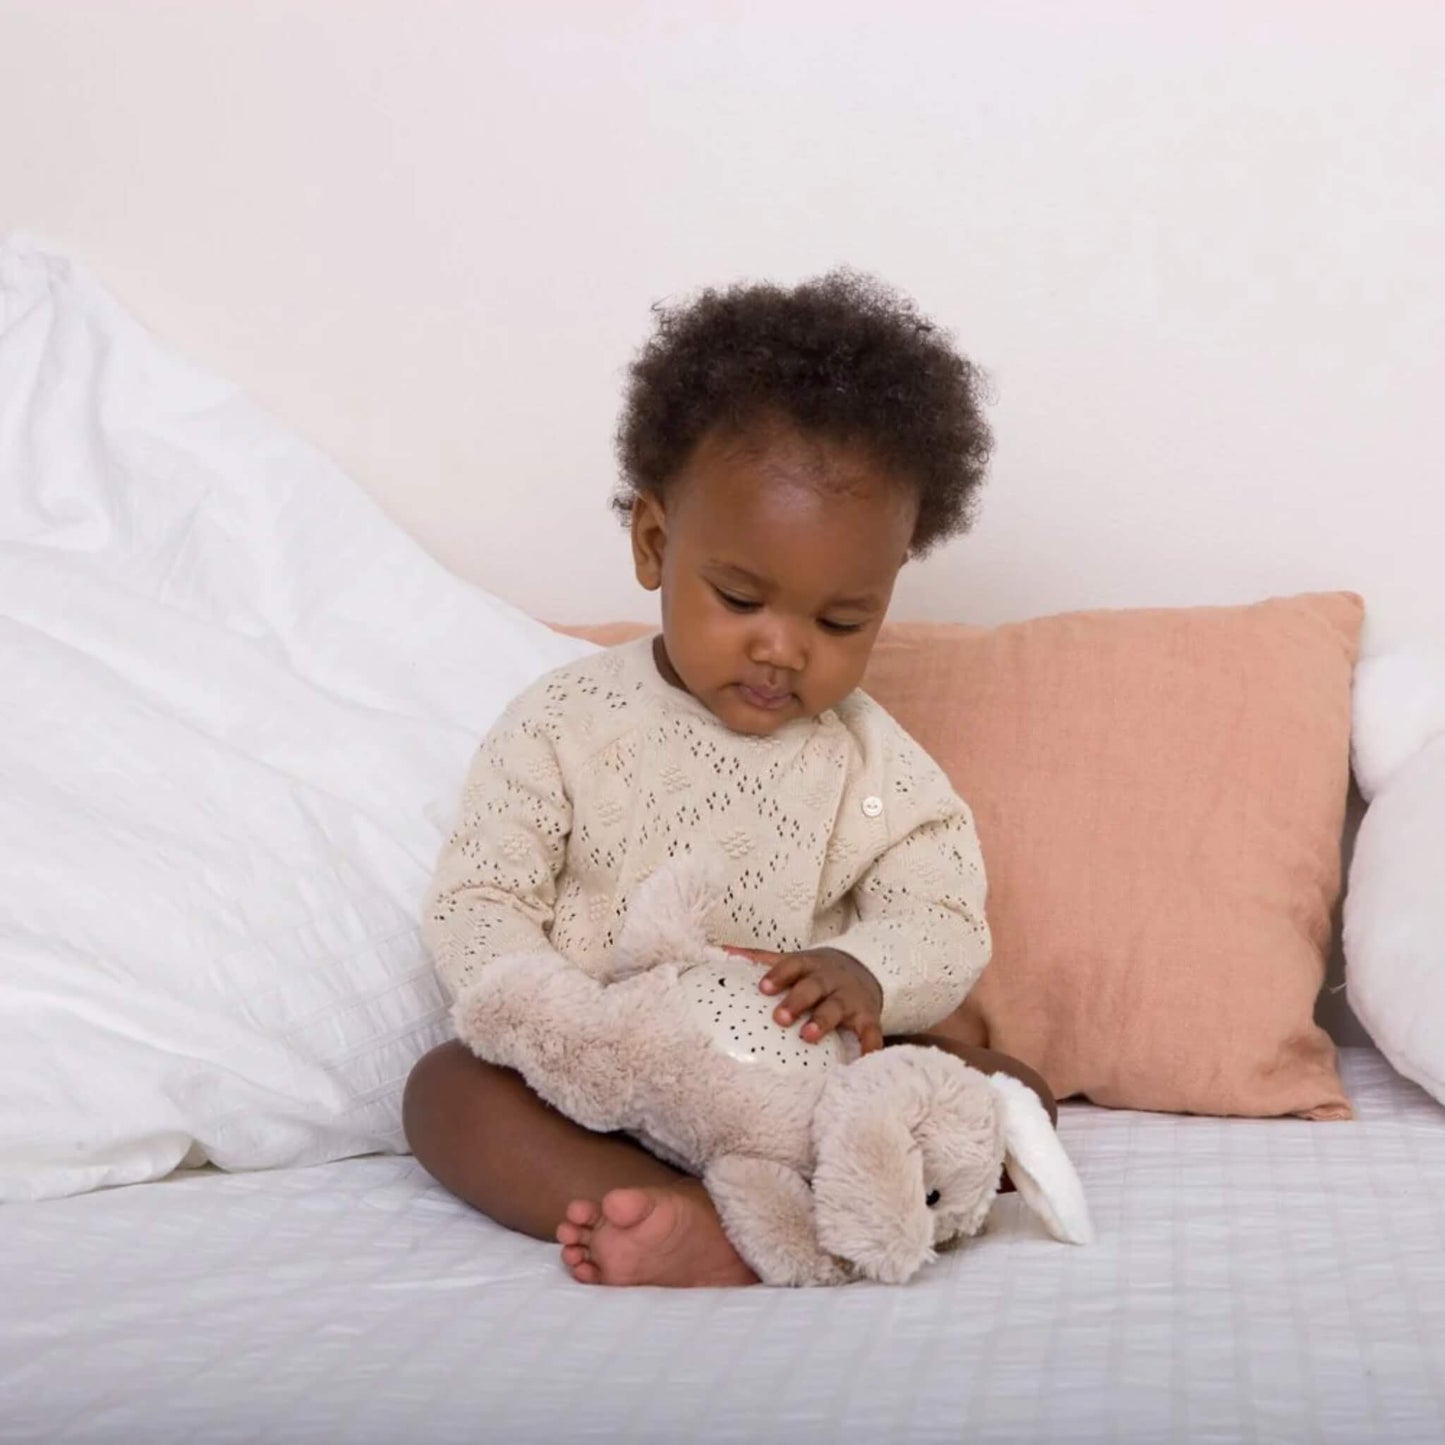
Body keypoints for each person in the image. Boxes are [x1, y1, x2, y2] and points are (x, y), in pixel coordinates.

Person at [403, 270, 1055, 1287]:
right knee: (444, 1094)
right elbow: (483, 894)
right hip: (610, 1079)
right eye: (741, 595)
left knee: (1009, 1093)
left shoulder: (870, 763)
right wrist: (555, 1017)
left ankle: (797, 1210)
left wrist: (867, 969)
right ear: (656, 544)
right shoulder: (565, 722)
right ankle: (692, 1215)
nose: (784, 649)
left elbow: (941, 914)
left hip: (798, 1098)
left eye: (841, 621)